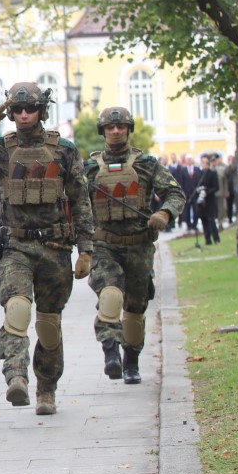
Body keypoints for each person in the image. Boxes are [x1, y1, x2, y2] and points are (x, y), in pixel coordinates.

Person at [0, 82, 94, 416]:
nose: (24, 115)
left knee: (48, 326)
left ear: (43, 110)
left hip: (55, 248)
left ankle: (47, 389)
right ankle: (16, 376)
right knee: (17, 309)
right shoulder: (1, 149)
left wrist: (87, 250)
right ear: (10, 113)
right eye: (17, 110)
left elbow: (81, 201)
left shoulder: (64, 150)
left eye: (30, 109)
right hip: (16, 246)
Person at [83, 107, 185, 385]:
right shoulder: (89, 169)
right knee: (110, 295)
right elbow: (73, 203)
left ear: (128, 129)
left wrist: (164, 214)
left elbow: (175, 192)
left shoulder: (146, 164)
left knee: (136, 307)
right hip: (104, 245)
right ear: (102, 131)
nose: (115, 131)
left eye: (120, 127)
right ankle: (110, 352)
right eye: (109, 128)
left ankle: (131, 361)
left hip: (139, 246)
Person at [195, 154, 221, 246]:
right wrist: (198, 190)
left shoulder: (212, 173)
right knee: (203, 220)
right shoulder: (199, 173)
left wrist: (207, 192)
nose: (204, 164)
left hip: (209, 200)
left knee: (211, 219)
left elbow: (216, 187)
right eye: (202, 162)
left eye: (206, 162)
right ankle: (207, 239)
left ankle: (216, 239)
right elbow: (196, 185)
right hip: (201, 200)